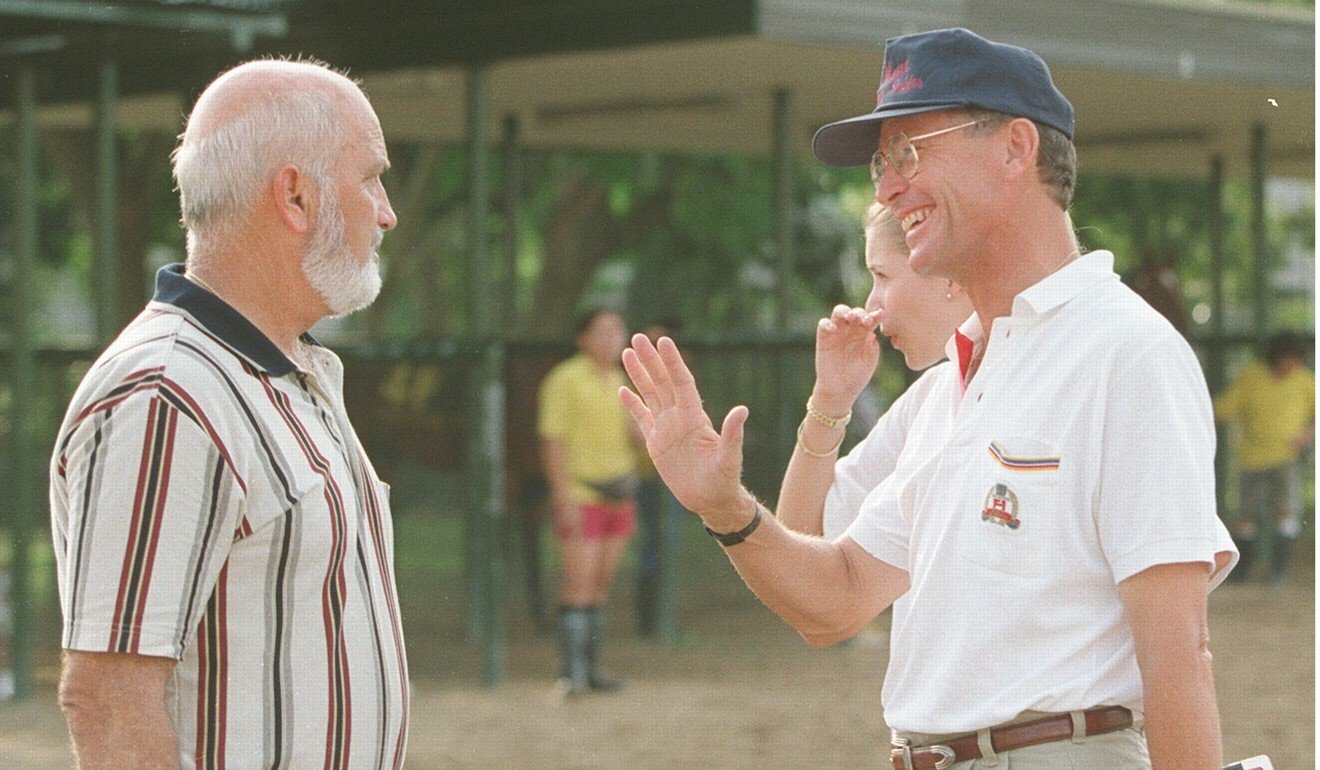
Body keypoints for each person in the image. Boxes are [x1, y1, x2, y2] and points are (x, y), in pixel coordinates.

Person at [620, 28, 1236, 769]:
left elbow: (1180, 656)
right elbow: (838, 600)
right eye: (883, 162)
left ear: (1016, 149)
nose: (885, 187)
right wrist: (723, 509)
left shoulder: (1126, 352)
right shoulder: (961, 378)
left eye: (910, 151)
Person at [49, 60, 409, 768]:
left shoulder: (291, 370)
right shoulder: (167, 393)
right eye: (370, 176)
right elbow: (107, 701)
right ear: (296, 196)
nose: (388, 210)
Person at [777, 202, 972, 540]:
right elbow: (800, 540)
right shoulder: (929, 400)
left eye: (882, 275)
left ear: (948, 275)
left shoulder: (1043, 378)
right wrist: (829, 400)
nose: (871, 304)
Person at [538, 307, 638, 696]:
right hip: (581, 493)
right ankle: (572, 672)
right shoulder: (565, 379)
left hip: (620, 493)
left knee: (600, 584)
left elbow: (636, 439)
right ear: (583, 338)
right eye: (602, 331)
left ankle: (592, 668)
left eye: (617, 330)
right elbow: (552, 441)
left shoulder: (622, 381)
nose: (611, 339)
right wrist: (563, 498)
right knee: (578, 583)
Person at [1215, 330, 1315, 584]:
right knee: (1246, 516)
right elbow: (1225, 408)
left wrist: (1306, 436)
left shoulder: (1304, 381)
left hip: (1287, 459)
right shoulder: (1251, 377)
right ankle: (1243, 572)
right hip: (1253, 460)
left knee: (1287, 512)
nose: (1292, 364)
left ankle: (1278, 572)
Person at [634, 321, 688, 641]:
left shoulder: (681, 385)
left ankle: (662, 619)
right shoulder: (631, 384)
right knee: (652, 548)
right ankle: (651, 622)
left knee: (667, 546)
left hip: (674, 481)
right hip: (647, 480)